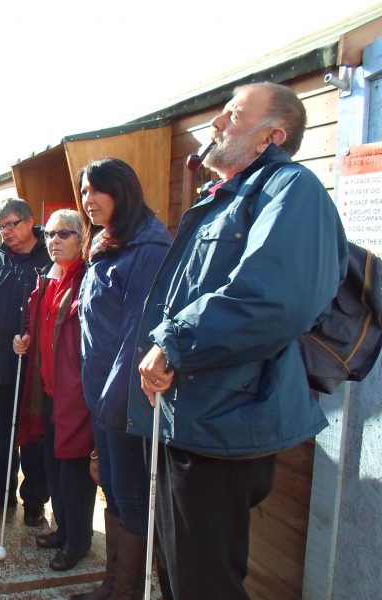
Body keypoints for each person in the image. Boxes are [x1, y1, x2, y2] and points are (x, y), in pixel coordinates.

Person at [129, 82, 348, 599]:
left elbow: (273, 298)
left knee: (205, 583)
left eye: (233, 114)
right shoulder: (224, 198)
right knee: (180, 572)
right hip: (187, 415)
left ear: (272, 136)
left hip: (225, 421)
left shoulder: (291, 189)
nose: (217, 123)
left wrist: (173, 344)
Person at [74, 158, 172, 599]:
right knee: (112, 490)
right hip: (103, 398)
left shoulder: (148, 249)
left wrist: (112, 408)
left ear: (123, 191)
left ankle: (125, 593)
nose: (88, 200)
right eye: (84, 191)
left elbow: (137, 334)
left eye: (98, 191)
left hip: (127, 403)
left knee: (131, 497)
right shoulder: (108, 244)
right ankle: (111, 583)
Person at [14, 209, 96, 571]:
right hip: (47, 391)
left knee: (75, 470)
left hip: (75, 395)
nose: (54, 241)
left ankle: (78, 542)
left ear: (82, 238)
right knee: (54, 465)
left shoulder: (88, 279)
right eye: (49, 234)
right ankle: (64, 529)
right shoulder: (48, 280)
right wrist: (24, 341)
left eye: (64, 234)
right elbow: (44, 332)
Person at [0, 198, 51, 526]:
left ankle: (34, 500)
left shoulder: (49, 258)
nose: (6, 231)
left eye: (13, 224)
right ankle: (1, 491)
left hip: (36, 369)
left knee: (33, 437)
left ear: (30, 221)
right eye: (1, 226)